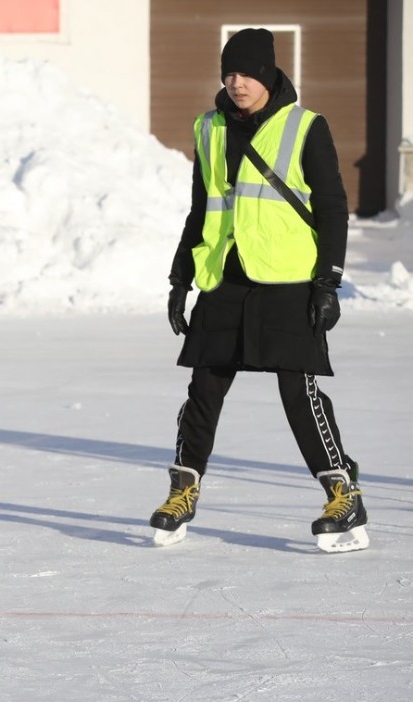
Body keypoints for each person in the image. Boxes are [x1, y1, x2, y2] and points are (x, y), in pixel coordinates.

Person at [152, 28, 368, 553]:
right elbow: (202, 206)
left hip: (289, 279)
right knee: (204, 386)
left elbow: (333, 206)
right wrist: (181, 276)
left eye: (247, 73)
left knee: (299, 390)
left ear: (268, 74)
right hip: (226, 276)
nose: (237, 82)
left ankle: (342, 492)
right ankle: (183, 490)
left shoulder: (305, 127)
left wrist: (328, 281)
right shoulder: (209, 126)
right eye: (229, 73)